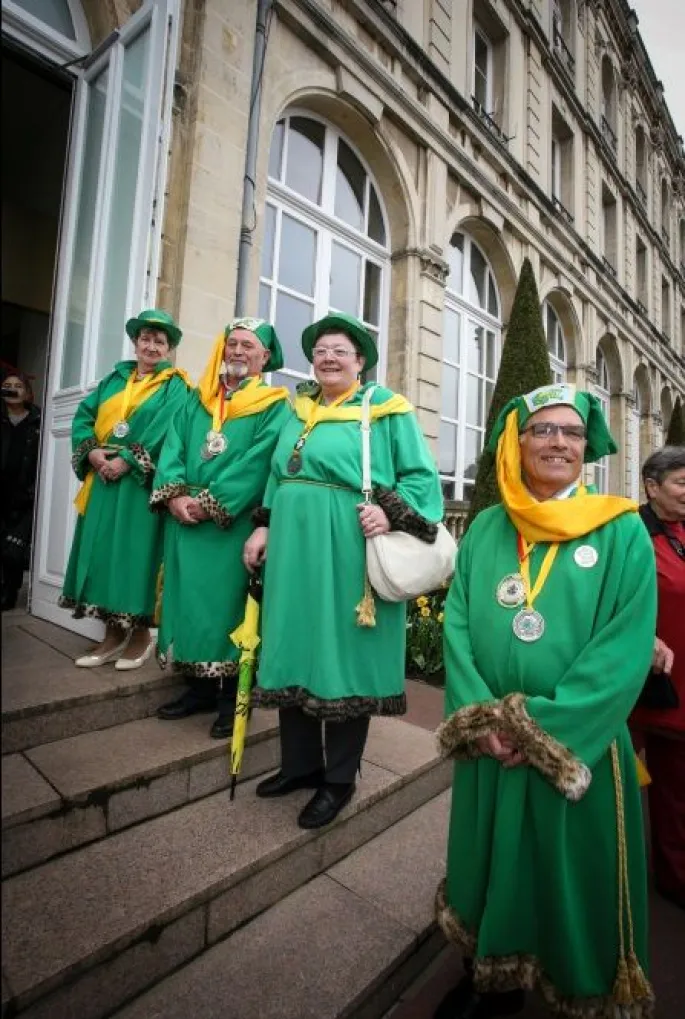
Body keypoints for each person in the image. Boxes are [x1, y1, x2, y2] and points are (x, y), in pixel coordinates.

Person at [434, 383, 657, 1019]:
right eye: (543, 430)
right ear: (519, 442)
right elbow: (456, 625)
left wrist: (538, 731)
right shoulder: (486, 525)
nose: (557, 442)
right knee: (486, 860)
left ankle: (577, 983)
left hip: (576, 741)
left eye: (571, 433)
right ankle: (490, 979)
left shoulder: (620, 530)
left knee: (568, 878)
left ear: (586, 448)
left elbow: (623, 646)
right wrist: (482, 719)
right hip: (490, 744)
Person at [244, 312, 444, 829]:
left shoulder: (384, 408)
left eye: (341, 351)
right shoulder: (298, 407)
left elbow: (421, 478)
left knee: (343, 656)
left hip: (349, 545)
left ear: (360, 363)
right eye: (321, 350)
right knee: (293, 646)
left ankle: (338, 780)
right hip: (292, 546)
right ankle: (300, 767)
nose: (328, 358)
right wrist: (263, 526)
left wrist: (389, 510)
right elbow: (275, 474)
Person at [152, 318, 290, 739]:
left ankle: (231, 701)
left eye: (248, 345)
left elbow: (259, 462)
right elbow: (172, 445)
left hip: (229, 526)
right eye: (232, 343)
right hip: (185, 519)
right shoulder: (198, 400)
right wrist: (174, 494)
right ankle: (196, 690)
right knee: (188, 605)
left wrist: (211, 503)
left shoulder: (274, 404)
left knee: (229, 611)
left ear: (264, 357)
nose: (238, 352)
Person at [60, 310, 190, 669]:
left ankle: (142, 635)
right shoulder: (112, 380)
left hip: (139, 483)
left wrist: (128, 461)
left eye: (159, 341)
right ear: (136, 343)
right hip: (102, 479)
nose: (151, 346)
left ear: (169, 349)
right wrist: (94, 452)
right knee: (101, 553)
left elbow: (170, 431)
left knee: (136, 556)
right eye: (146, 339)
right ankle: (111, 637)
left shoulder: (175, 386)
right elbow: (83, 418)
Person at [630, 446, 685, 910]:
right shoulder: (630, 532)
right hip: (633, 687)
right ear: (652, 486)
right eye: (681, 483)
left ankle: (675, 877)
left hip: (678, 687)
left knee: (675, 790)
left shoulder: (682, 531)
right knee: (618, 785)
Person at [1, 370, 41, 610]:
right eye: (7, 385)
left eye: (18, 385)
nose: (12, 389)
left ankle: (9, 591)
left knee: (13, 550)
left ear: (27, 393)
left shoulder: (38, 420)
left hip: (23, 494)